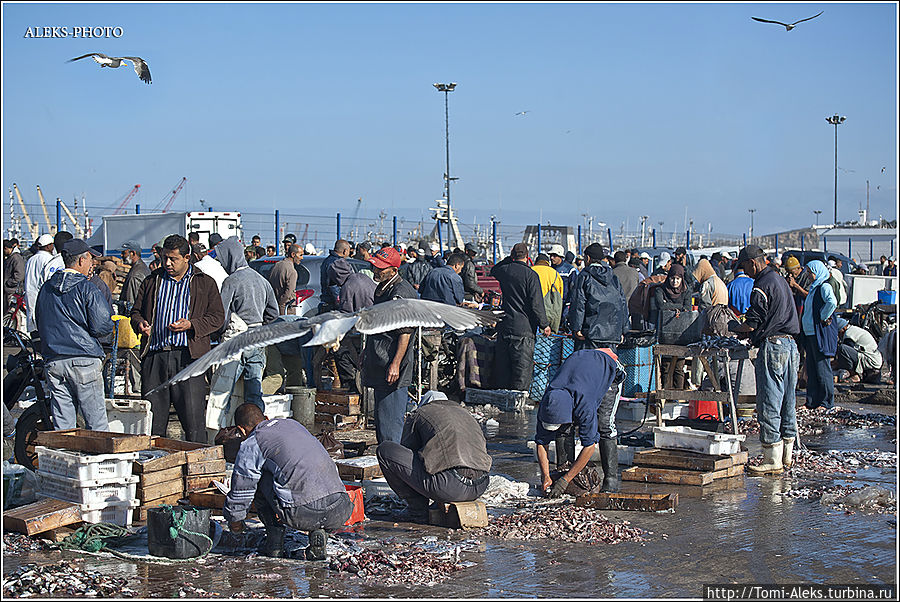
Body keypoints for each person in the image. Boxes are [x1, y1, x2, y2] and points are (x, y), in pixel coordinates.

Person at [224, 403, 351, 559]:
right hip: (340, 507)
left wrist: (235, 521)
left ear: (241, 430)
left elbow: (242, 487)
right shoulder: (293, 424)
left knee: (258, 477)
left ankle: (274, 539)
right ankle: (318, 533)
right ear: (266, 418)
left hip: (303, 513)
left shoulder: (253, 441)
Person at [132, 234, 225, 442]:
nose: (167, 263)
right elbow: (136, 312)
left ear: (186, 257)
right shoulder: (151, 281)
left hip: (189, 358)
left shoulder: (204, 283)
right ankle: (155, 465)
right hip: (156, 357)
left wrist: (192, 325)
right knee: (153, 422)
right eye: (165, 257)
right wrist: (139, 323)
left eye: (173, 259)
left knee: (193, 422)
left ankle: (197, 468)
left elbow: (217, 318)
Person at [731, 245, 800, 475]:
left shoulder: (761, 285)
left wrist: (737, 328)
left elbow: (753, 321)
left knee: (770, 401)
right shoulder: (779, 279)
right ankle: (787, 455)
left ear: (753, 263)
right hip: (791, 345)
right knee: (788, 400)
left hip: (774, 346)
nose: (746, 271)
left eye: (745, 266)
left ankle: (772, 458)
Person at [376, 391, 492, 523]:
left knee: (385, 450)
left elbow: (408, 452)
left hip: (450, 486)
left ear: (424, 404)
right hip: (480, 486)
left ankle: (418, 511)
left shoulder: (420, 413)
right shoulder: (467, 414)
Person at [35, 239, 113, 430]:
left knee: (63, 426)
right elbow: (103, 325)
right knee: (97, 425)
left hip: (54, 360)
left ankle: (66, 459)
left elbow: (40, 321)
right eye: (89, 259)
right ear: (80, 261)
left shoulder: (46, 288)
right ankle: (100, 460)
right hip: (84, 359)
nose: (92, 264)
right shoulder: (87, 287)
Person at [535, 348, 625, 496]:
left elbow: (589, 446)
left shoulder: (584, 403)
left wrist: (565, 480)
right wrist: (545, 476)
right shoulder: (548, 400)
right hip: (581, 368)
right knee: (564, 430)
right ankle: (564, 471)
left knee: (604, 424)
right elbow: (541, 442)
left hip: (608, 366)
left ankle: (611, 478)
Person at [210, 236, 279, 412]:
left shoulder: (231, 281)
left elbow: (221, 316)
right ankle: (255, 425)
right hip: (257, 339)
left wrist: (217, 335)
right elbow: (274, 312)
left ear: (230, 258)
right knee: (254, 390)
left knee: (225, 391)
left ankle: (224, 428)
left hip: (236, 340)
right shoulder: (261, 280)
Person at [361, 247, 418, 443]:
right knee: (382, 418)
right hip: (379, 359)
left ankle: (393, 461)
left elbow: (405, 333)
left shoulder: (400, 292)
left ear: (394, 271)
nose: (376, 271)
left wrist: (395, 363)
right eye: (375, 267)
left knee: (390, 422)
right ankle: (387, 456)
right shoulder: (384, 287)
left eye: (381, 269)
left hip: (392, 365)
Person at [490, 243, 551, 391]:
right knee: (521, 373)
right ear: (528, 256)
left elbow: (494, 269)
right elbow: (536, 304)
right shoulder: (531, 275)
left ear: (512, 254)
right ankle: (518, 403)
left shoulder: (505, 270)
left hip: (505, 326)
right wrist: (544, 324)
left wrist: (508, 259)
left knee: (503, 371)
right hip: (524, 330)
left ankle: (502, 401)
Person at [328, 257, 376, 393]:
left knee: (340, 353)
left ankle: (351, 388)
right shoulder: (362, 277)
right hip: (375, 325)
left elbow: (346, 314)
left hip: (363, 331)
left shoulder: (347, 286)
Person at [568, 243, 628, 351]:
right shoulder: (613, 277)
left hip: (590, 333)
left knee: (587, 365)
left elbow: (579, 303)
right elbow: (622, 303)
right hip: (612, 334)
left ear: (588, 258)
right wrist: (624, 329)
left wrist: (576, 327)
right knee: (608, 365)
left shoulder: (584, 276)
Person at [801, 260, 838, 410]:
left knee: (822, 368)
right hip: (810, 333)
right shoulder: (813, 288)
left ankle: (826, 402)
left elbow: (832, 302)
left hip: (819, 334)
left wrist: (823, 316)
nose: (809, 275)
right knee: (812, 368)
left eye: (811, 272)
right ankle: (812, 402)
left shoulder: (824, 286)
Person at [652, 264, 692, 389]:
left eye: (678, 279)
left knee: (679, 367)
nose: (674, 282)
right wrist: (678, 307)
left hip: (681, 334)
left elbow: (688, 309)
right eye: (672, 278)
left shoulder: (686, 291)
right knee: (666, 366)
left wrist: (669, 305)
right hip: (665, 333)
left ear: (682, 279)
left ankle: (678, 394)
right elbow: (660, 305)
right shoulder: (660, 290)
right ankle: (666, 393)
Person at [23, 234, 58, 334]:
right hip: (42, 297)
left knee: (33, 323)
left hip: (30, 295)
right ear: (48, 246)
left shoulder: (31, 259)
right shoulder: (49, 260)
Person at [833, 317, 883, 384]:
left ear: (843, 328)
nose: (839, 335)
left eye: (839, 332)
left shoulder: (849, 334)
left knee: (842, 349)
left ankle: (854, 375)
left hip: (870, 360)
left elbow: (847, 356)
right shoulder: (853, 329)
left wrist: (835, 364)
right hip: (873, 359)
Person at [532, 253, 564, 333]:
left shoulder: (529, 270)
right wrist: (554, 327)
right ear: (547, 262)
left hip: (530, 314)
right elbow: (558, 302)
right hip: (548, 315)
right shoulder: (554, 274)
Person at [117, 240, 150, 314]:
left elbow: (131, 304)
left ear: (133, 253)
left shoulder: (135, 275)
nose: (121, 255)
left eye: (124, 253)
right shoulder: (141, 268)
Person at [320, 240, 353, 312]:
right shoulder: (338, 262)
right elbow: (335, 285)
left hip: (326, 302)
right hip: (334, 305)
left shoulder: (327, 260)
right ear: (345, 251)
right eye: (349, 251)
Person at [269, 244, 302, 315]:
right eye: (300, 255)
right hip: (286, 309)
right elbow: (288, 293)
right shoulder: (292, 271)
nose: (302, 258)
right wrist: (281, 303)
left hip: (274, 306)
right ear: (293, 254)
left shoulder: (276, 266)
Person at [4, 239, 26, 315]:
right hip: (8, 291)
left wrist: (8, 283)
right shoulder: (10, 258)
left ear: (6, 248)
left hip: (12, 291)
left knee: (11, 314)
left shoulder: (16, 258)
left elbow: (19, 275)